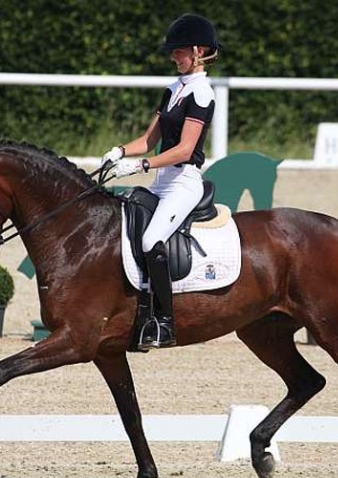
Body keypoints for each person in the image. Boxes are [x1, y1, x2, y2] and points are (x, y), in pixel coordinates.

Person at [101, 13, 221, 351]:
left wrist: (139, 164)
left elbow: (184, 149)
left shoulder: (202, 94)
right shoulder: (173, 89)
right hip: (161, 179)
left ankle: (164, 323)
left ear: (198, 51)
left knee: (153, 238)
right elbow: (149, 140)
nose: (173, 57)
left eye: (178, 51)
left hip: (184, 182)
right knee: (124, 227)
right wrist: (119, 152)